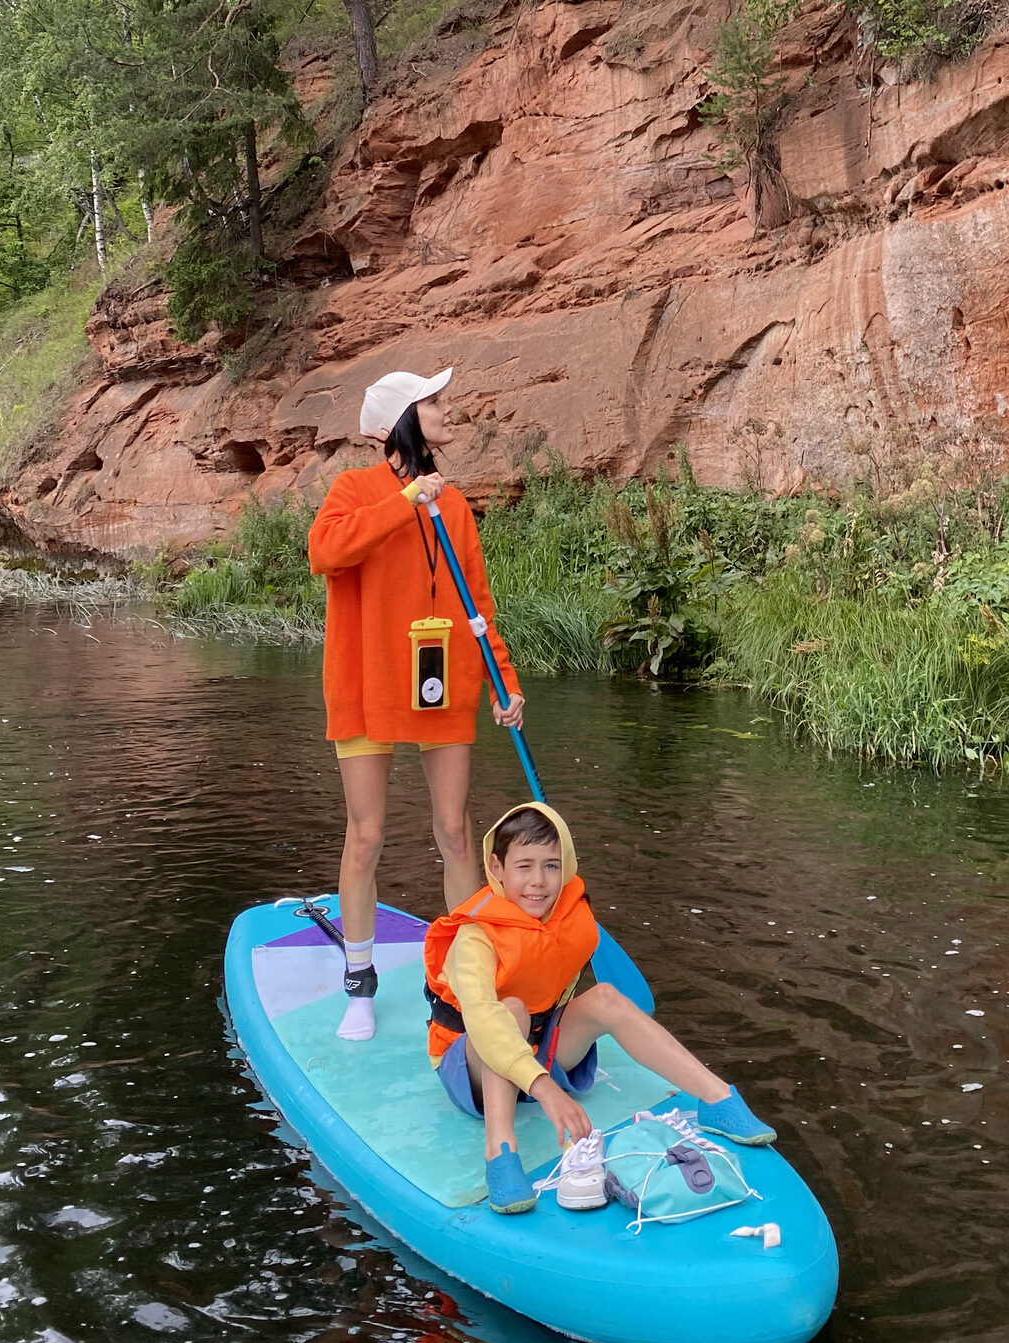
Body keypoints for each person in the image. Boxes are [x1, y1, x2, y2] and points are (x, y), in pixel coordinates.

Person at [308, 365, 525, 1043]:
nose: (450, 412)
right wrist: (406, 500)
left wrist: (504, 680)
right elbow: (325, 552)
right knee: (366, 835)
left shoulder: (455, 505)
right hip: (367, 684)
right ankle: (360, 983)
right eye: (437, 403)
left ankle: (467, 978)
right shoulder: (354, 491)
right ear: (405, 416)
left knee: (457, 831)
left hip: (439, 687)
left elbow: (478, 604)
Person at [423, 800, 776, 1214]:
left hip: (538, 1044)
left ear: (567, 866)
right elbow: (484, 1023)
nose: (539, 882)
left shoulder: (572, 917)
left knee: (605, 997)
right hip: (474, 1066)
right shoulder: (475, 937)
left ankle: (717, 1100)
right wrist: (546, 1089)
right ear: (497, 869)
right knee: (511, 1009)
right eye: (524, 867)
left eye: (552, 866)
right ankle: (500, 1152)